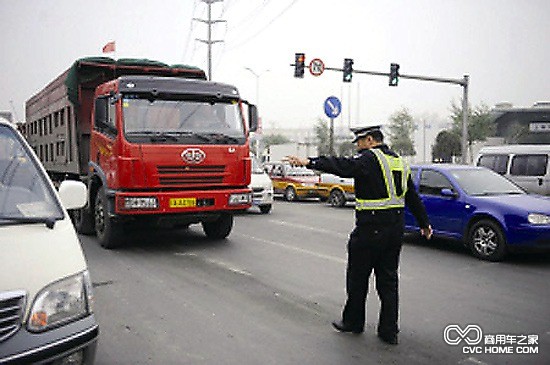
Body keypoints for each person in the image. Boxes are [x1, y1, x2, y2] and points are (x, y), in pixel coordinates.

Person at [285, 125, 432, 345]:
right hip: (394, 230)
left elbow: (343, 166)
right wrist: (424, 223)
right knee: (389, 281)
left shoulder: (369, 158)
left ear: (370, 140)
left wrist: (310, 162)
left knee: (358, 278)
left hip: (370, 229)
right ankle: (389, 331)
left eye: (360, 142)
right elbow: (412, 195)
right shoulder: (399, 161)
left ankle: (353, 322)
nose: (358, 147)